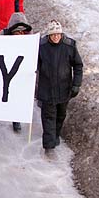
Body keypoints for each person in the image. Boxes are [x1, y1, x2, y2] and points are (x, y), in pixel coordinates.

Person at [37, 20, 83, 151]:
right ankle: (49, 145)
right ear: (49, 35)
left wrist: (76, 84)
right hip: (47, 89)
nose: (56, 37)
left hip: (64, 89)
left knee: (61, 115)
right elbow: (34, 64)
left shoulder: (70, 46)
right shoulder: (41, 46)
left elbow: (78, 66)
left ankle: (56, 135)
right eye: (53, 35)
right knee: (48, 117)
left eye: (58, 34)